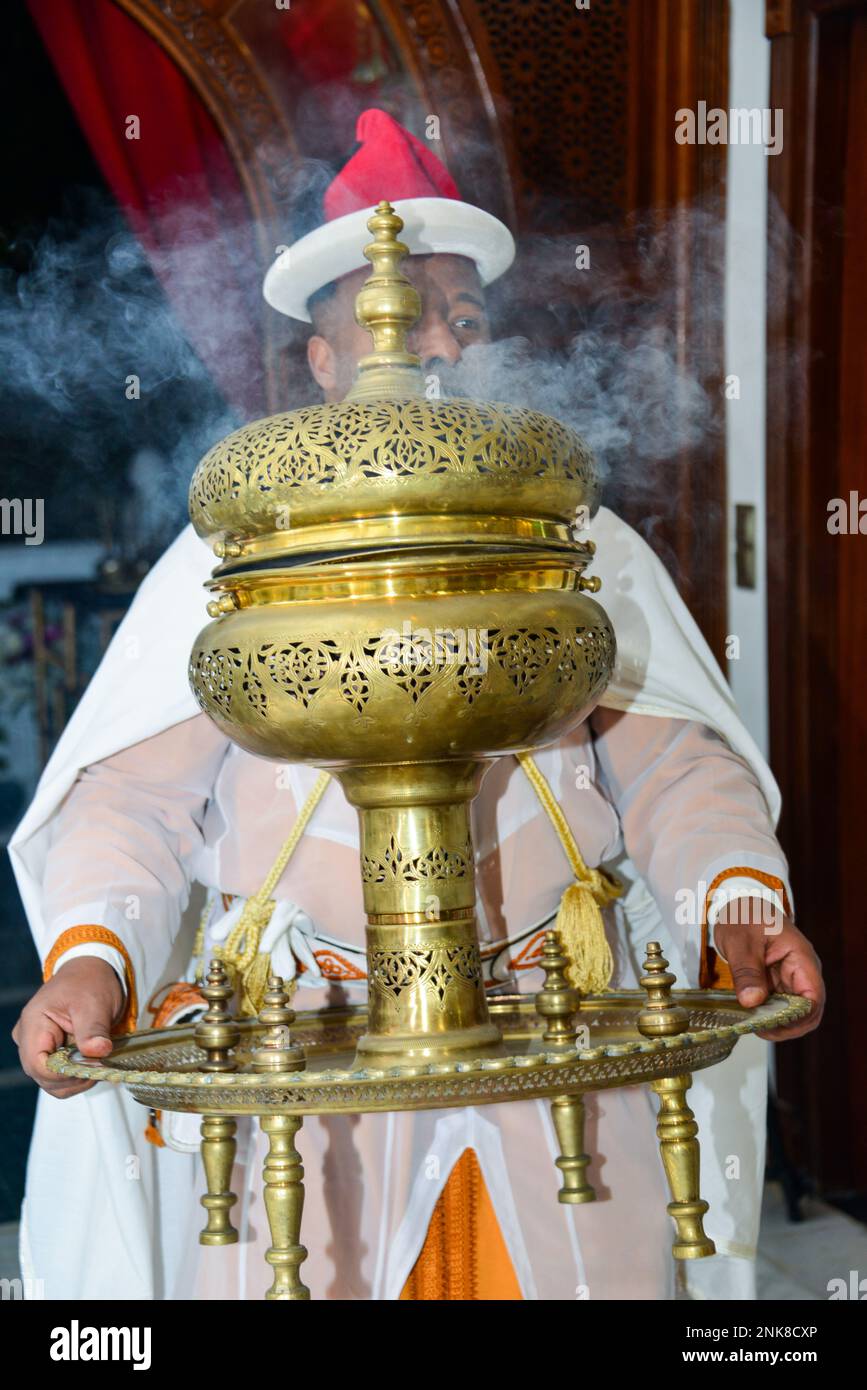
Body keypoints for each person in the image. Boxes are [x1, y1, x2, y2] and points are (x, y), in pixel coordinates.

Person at [10, 109, 823, 1302]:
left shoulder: (571, 540)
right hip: (309, 1044)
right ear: (326, 362)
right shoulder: (235, 556)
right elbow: (131, 796)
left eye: (466, 318)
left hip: (555, 1035)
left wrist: (736, 904)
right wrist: (91, 959)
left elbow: (674, 768)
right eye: (396, 320)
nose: (435, 346)